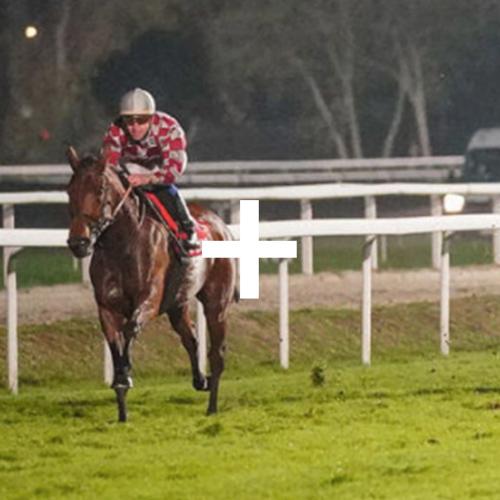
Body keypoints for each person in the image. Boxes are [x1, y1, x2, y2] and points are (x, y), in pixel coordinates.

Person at [102, 87, 199, 252]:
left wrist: (149, 178)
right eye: (129, 121)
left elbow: (175, 167)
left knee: (167, 190)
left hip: (159, 170)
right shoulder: (116, 130)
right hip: (128, 169)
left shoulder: (168, 128)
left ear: (152, 118)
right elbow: (108, 164)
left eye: (141, 120)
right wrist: (122, 178)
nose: (135, 127)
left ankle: (187, 228)